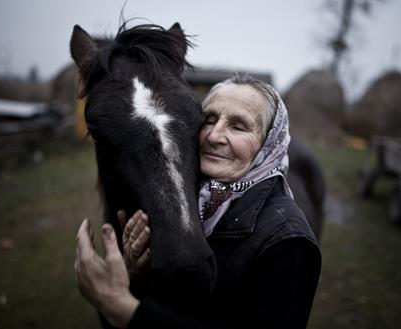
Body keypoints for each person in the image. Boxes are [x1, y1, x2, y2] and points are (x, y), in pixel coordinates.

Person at [74, 76, 321, 329]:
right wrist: (134, 278)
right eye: (210, 119)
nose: (214, 136)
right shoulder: (183, 202)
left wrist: (124, 309)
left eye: (238, 126)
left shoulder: (289, 242)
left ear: (270, 144)